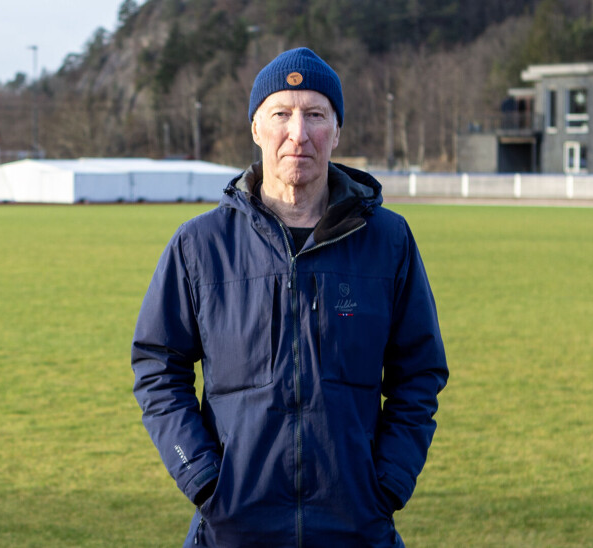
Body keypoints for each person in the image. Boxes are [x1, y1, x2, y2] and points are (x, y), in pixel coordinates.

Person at [131, 47, 448, 547]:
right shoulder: (200, 245)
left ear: (336, 131)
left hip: (356, 527)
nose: (298, 134)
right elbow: (157, 366)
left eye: (316, 115)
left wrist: (389, 481)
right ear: (256, 128)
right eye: (281, 113)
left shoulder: (389, 241)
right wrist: (201, 477)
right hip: (233, 525)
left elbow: (420, 372)